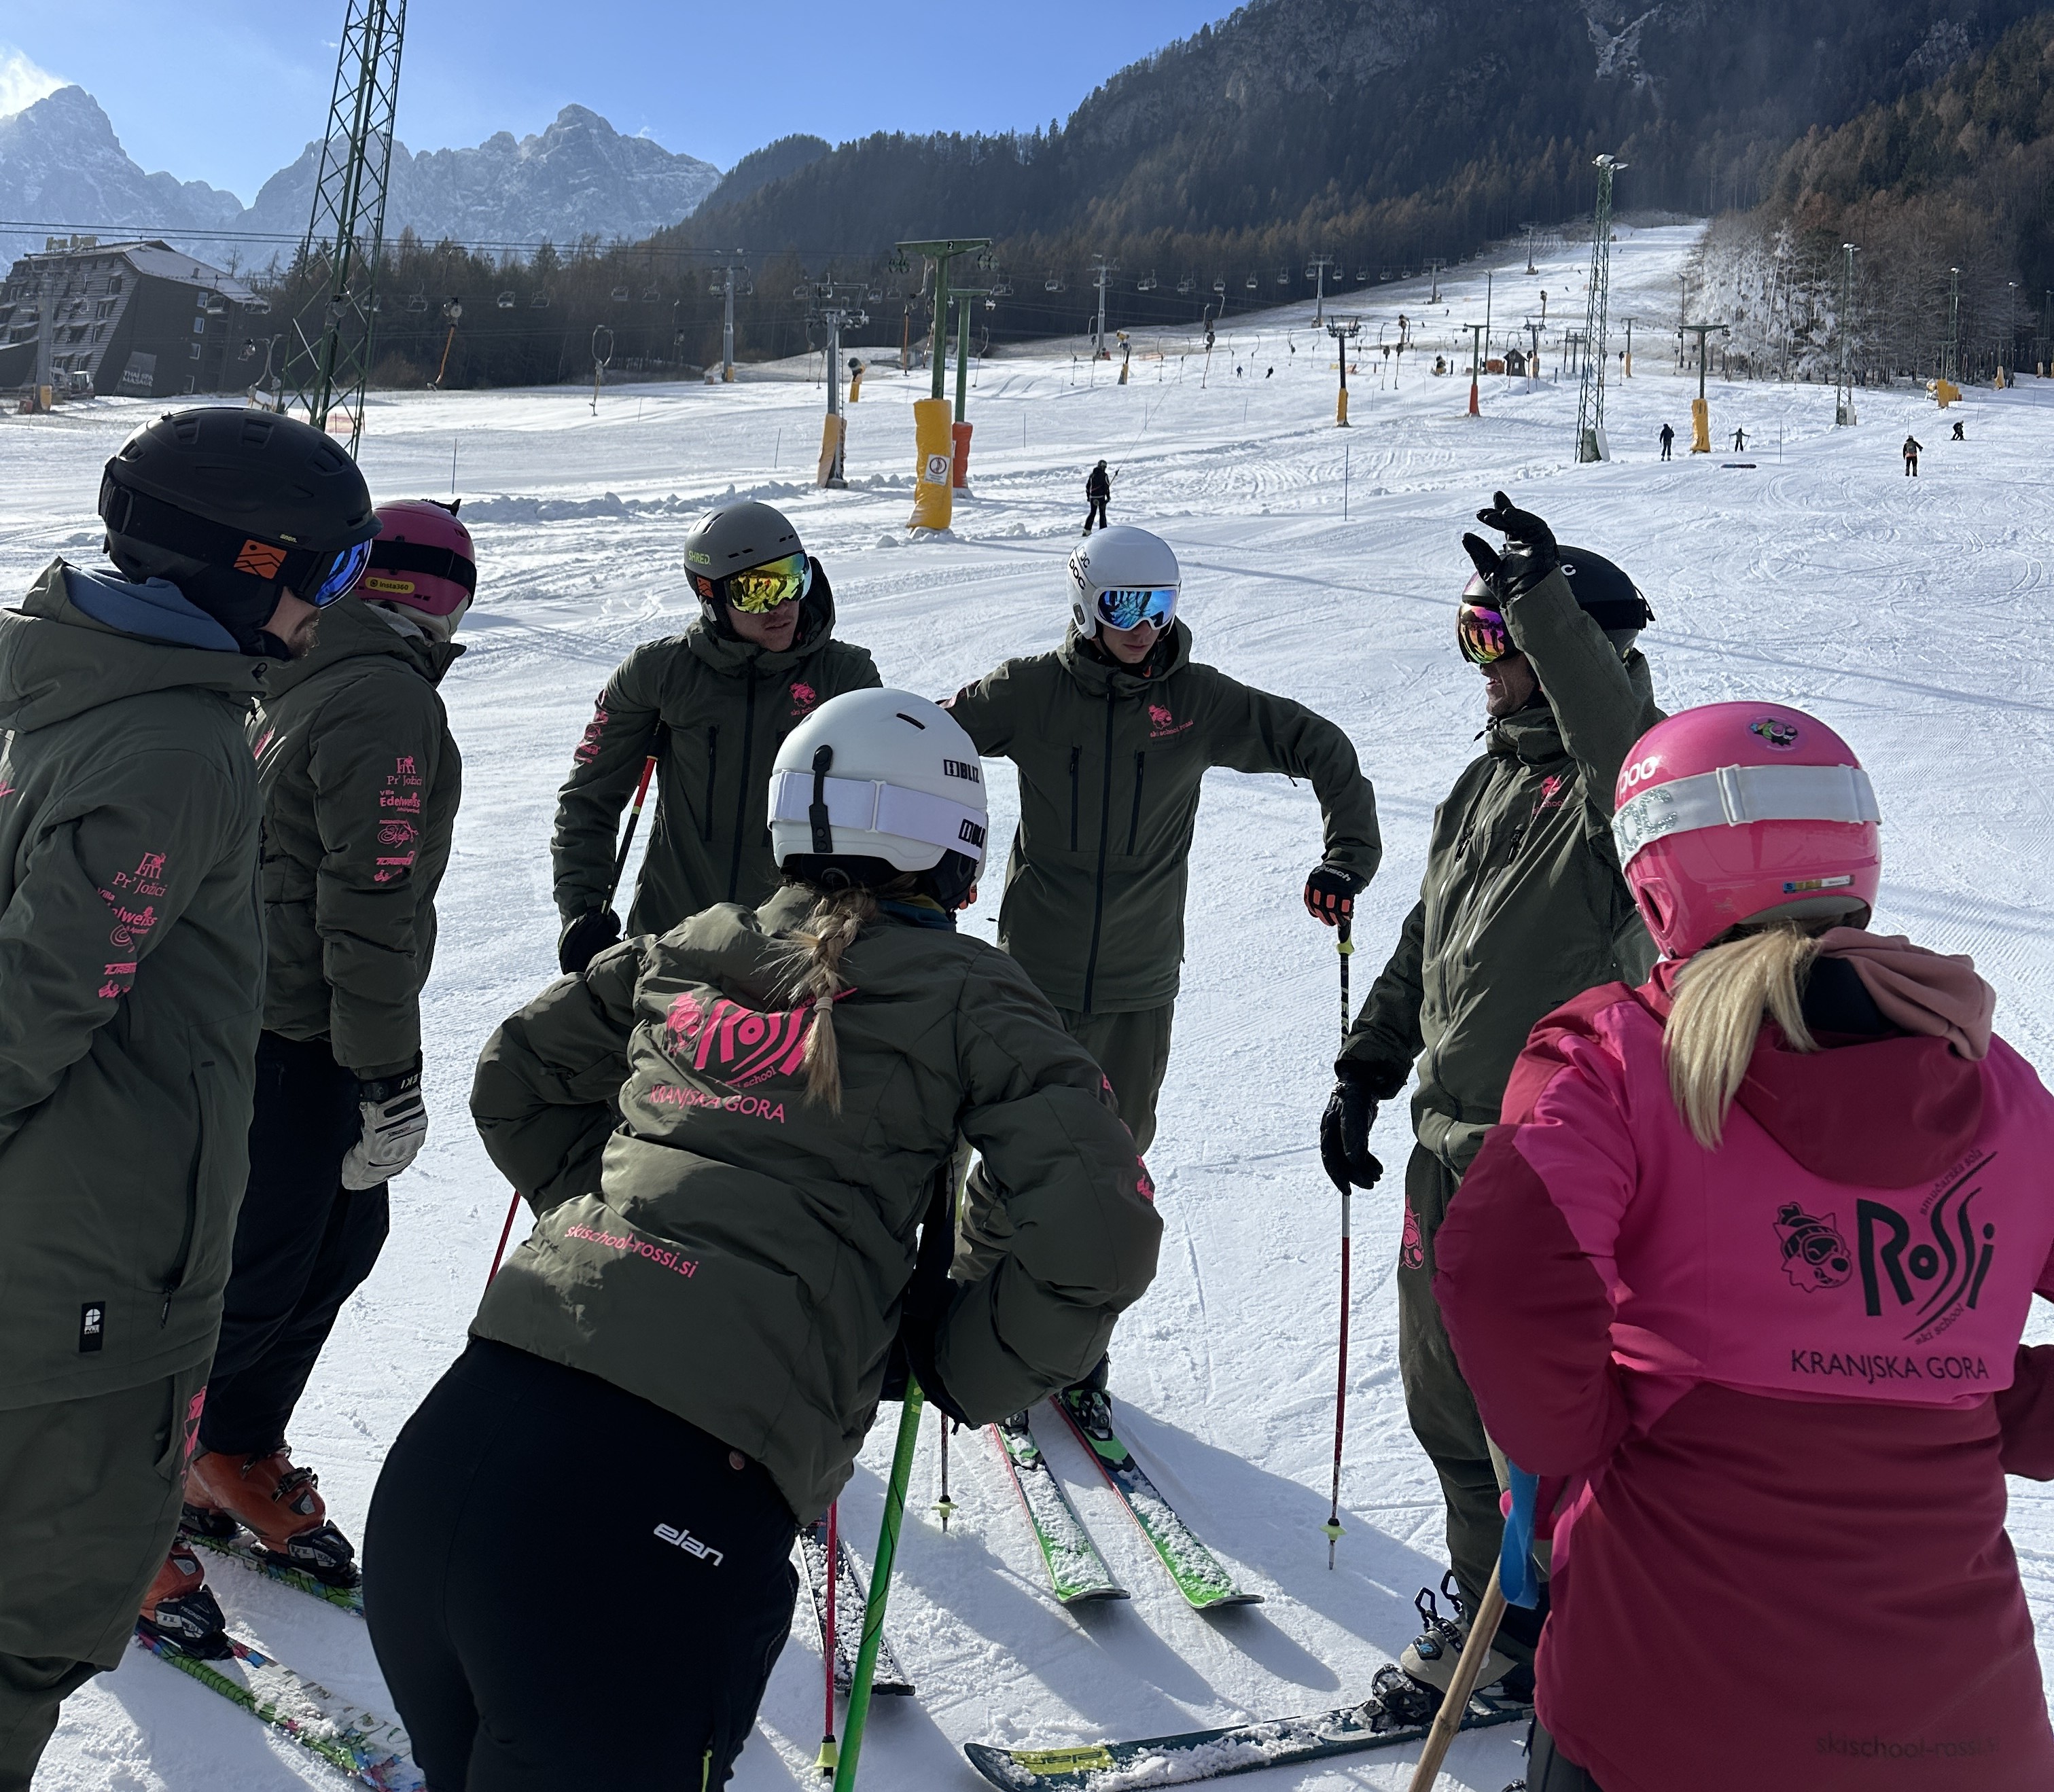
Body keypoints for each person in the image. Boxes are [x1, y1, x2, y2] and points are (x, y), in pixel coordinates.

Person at [362, 689, 1162, 1790]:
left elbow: (514, 1082)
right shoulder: (971, 994)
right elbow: (1099, 1229)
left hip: (454, 1457)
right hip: (658, 1517)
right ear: (959, 850)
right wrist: (944, 1360)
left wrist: (628, 1226)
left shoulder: (693, 946)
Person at [1436, 701, 2054, 1792]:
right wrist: (1970, 1394)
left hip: (1668, 1700)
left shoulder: (1623, 1051)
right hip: (1959, 1725)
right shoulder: (1996, 1080)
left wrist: (1586, 1429)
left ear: (1653, 878)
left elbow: (1499, 1271)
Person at [0, 410, 377, 1778]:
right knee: (37, 1619)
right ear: (240, 564)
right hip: (98, 1271)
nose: (329, 611)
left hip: (56, 1236)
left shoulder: (68, 678)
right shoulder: (178, 746)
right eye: (326, 577)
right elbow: (32, 1004)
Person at [1319, 492, 1657, 1720]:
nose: (1479, 667)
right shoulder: (1480, 785)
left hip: (1543, 1158)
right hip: (1441, 1146)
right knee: (1447, 1406)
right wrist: (1366, 1066)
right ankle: (1497, 1603)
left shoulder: (1626, 793)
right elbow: (1424, 940)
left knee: (1534, 1417)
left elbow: (1619, 743)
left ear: (1573, 645)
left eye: (1493, 641)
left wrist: (1544, 608)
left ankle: (1550, 1622)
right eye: (1470, 637)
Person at [947, 524, 1380, 1413]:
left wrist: (1346, 857)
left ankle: (1071, 1349)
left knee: (1111, 1170)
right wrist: (928, 858)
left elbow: (1322, 749)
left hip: (1139, 986)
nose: (1141, 625)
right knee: (1007, 1159)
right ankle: (973, 1320)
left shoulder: (1195, 702)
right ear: (1084, 604)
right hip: (1031, 974)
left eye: (1157, 605)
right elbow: (925, 746)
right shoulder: (1029, 692)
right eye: (1121, 605)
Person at [162, 499, 471, 1624]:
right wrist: (388, 1074)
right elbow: (370, 906)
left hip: (269, 1016)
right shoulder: (383, 695)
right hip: (302, 1033)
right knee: (254, 1274)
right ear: (438, 601)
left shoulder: (306, 672)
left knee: (335, 1239)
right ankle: (130, 1508)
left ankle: (230, 1445)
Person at [550, 501, 879, 973]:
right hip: (673, 942)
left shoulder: (844, 678)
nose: (782, 604)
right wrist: (582, 911)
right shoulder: (659, 675)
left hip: (795, 949)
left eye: (792, 578)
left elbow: (881, 817)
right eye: (755, 591)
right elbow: (589, 799)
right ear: (710, 596)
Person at [1083, 459, 1112, 535]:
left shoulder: (1092, 475)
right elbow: (1106, 487)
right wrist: (1108, 497)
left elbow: (1087, 487)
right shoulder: (1105, 475)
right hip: (1101, 497)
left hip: (1093, 498)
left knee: (1092, 513)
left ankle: (1087, 530)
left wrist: (1088, 496)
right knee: (1102, 513)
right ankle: (1103, 530)